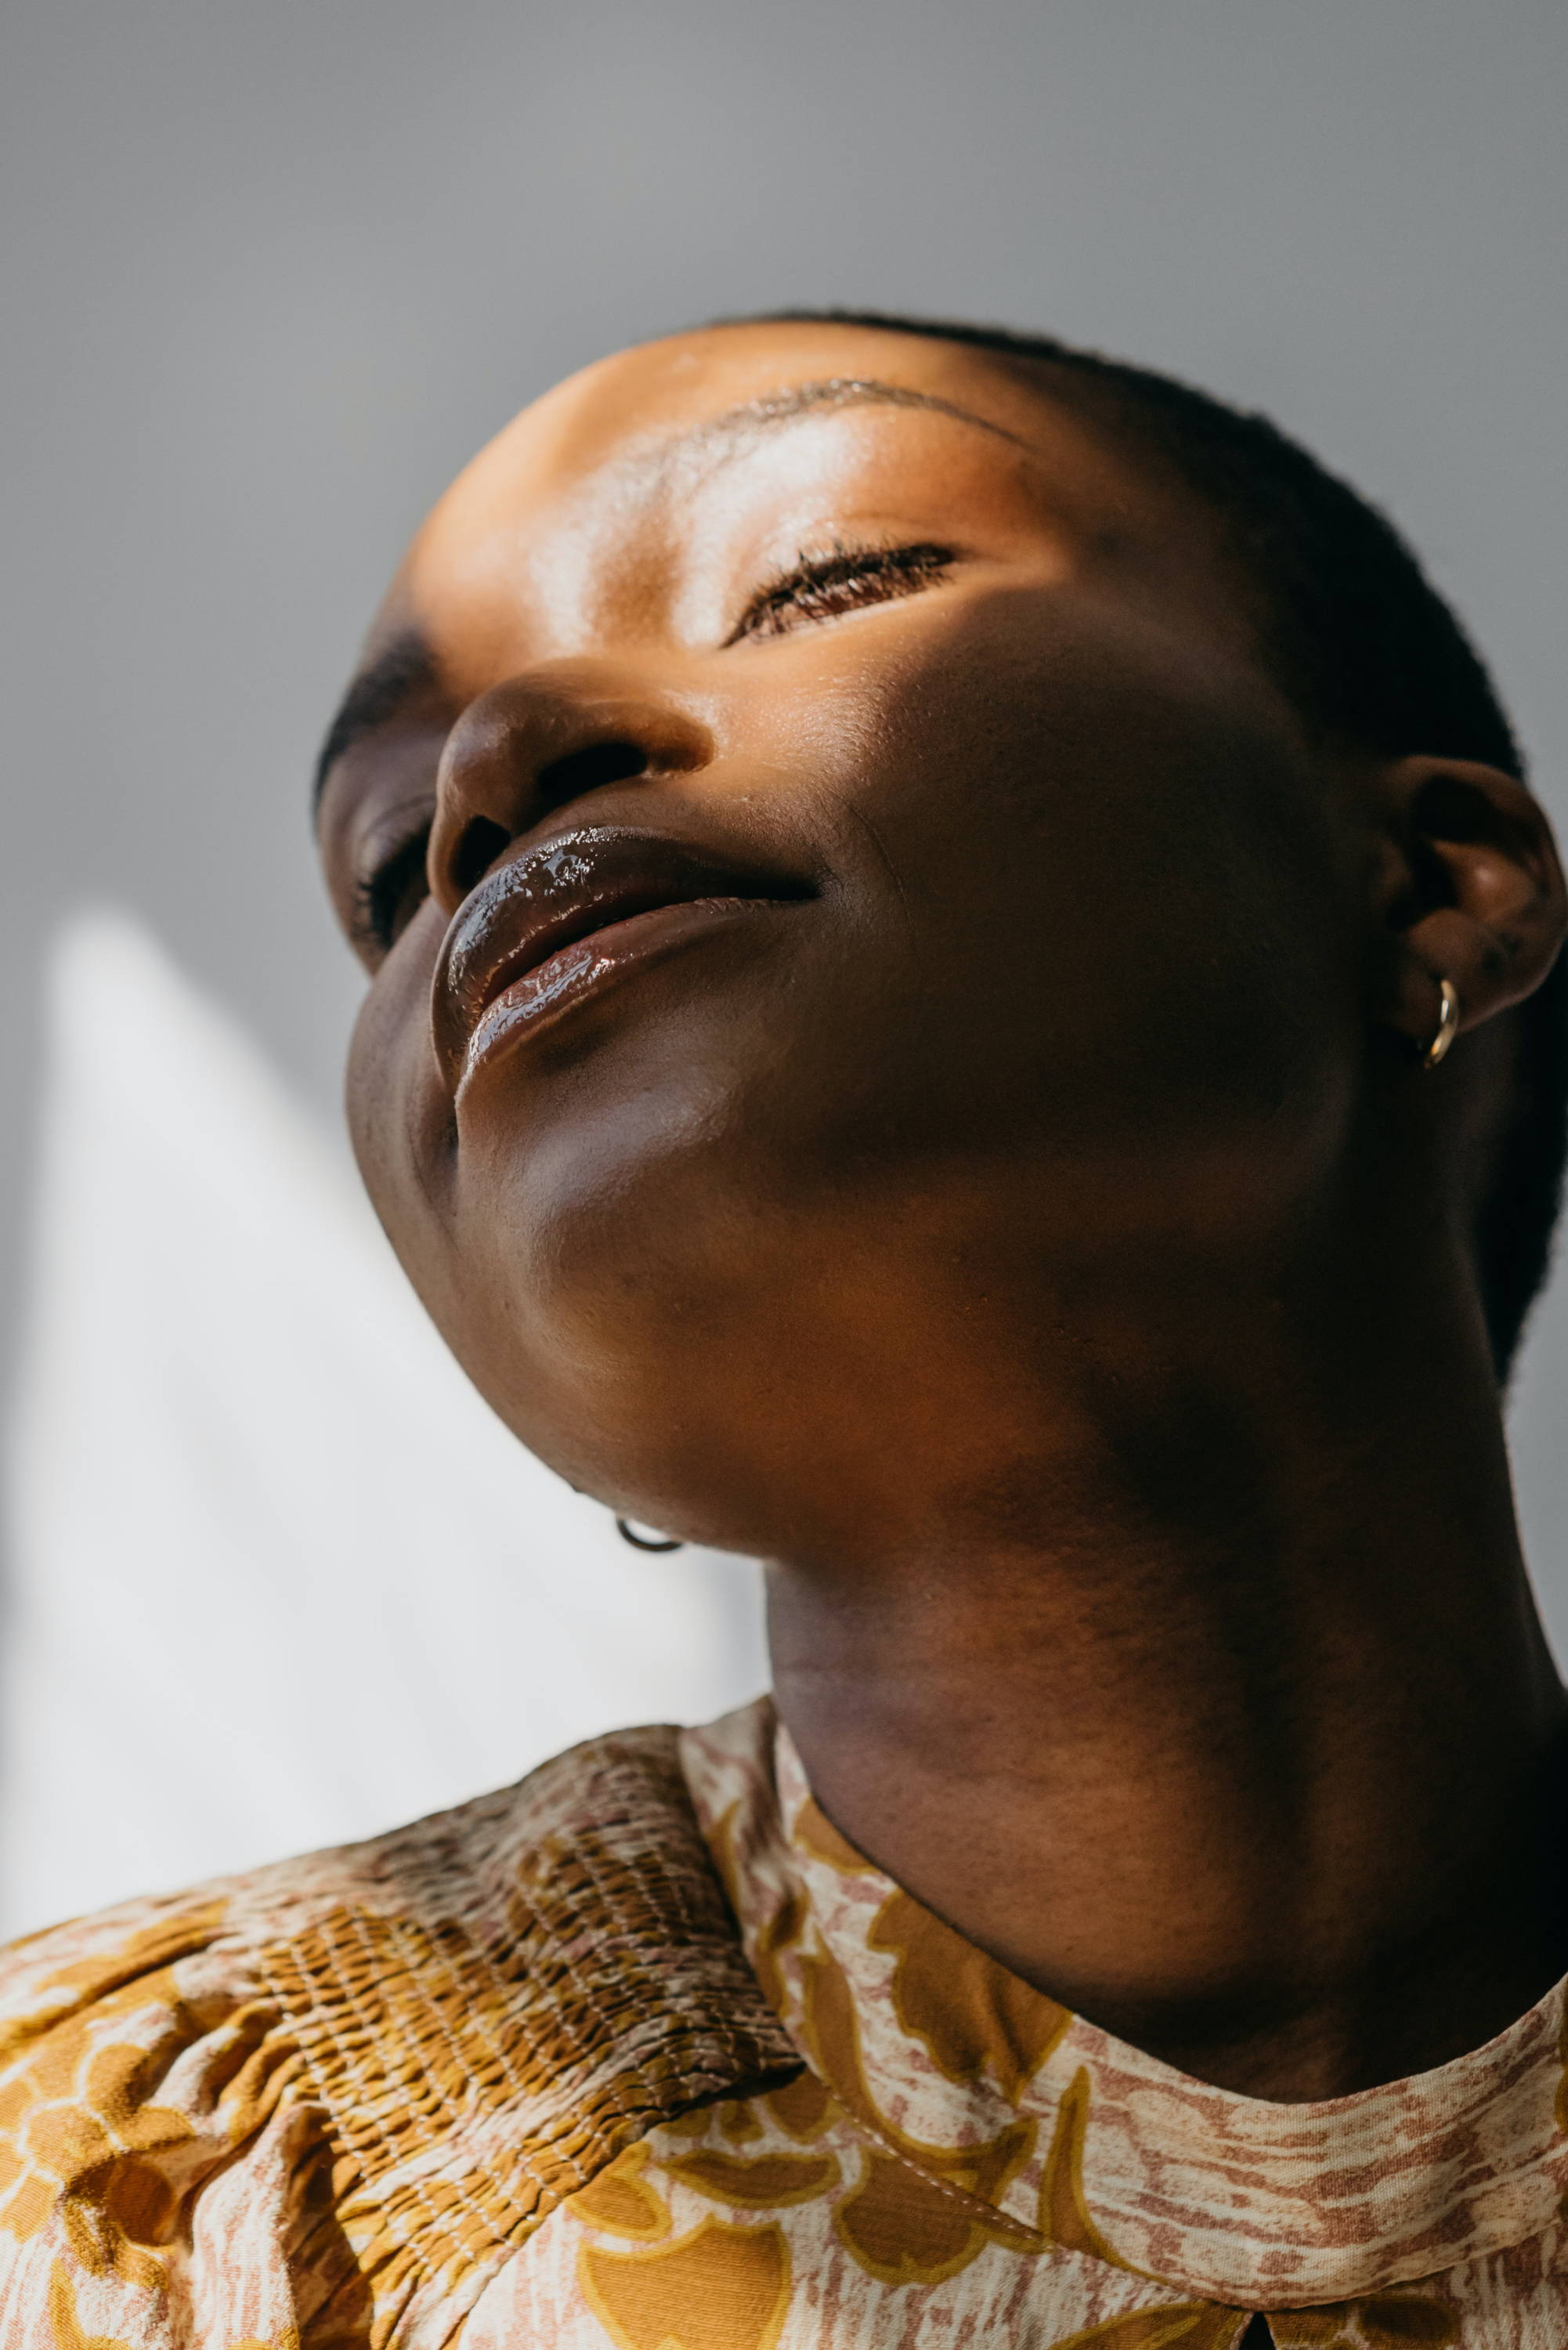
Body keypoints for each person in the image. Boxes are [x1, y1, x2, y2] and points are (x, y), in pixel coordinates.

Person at [2, 310, 1565, 2350]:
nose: (494, 767)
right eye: (393, 871)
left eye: (822, 578)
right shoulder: (143, 2190)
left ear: (1428, 884)